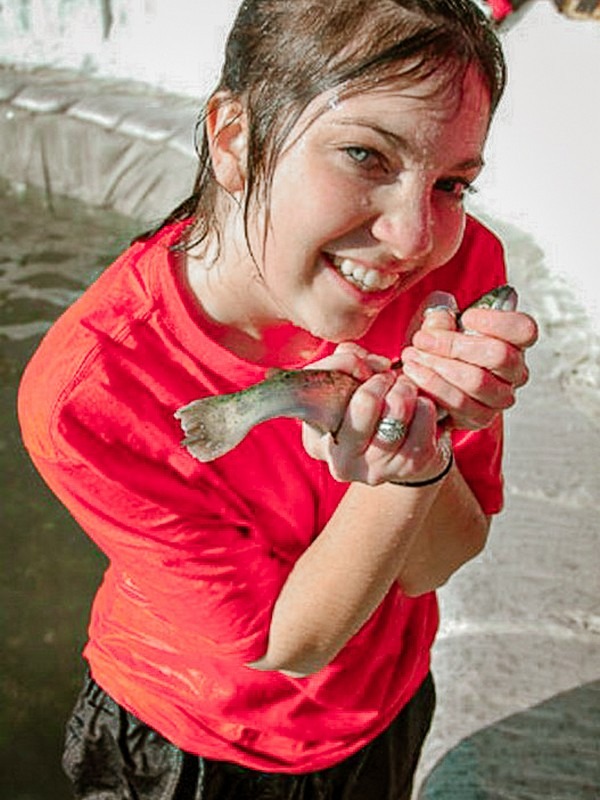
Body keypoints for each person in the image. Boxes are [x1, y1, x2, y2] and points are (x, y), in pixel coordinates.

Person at [18, 1, 538, 798]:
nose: (412, 238)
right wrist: (401, 469)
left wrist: (419, 453)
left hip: (386, 709)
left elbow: (436, 561)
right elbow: (286, 645)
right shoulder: (90, 394)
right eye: (366, 154)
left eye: (452, 183)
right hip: (188, 743)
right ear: (234, 139)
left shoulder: (457, 272)